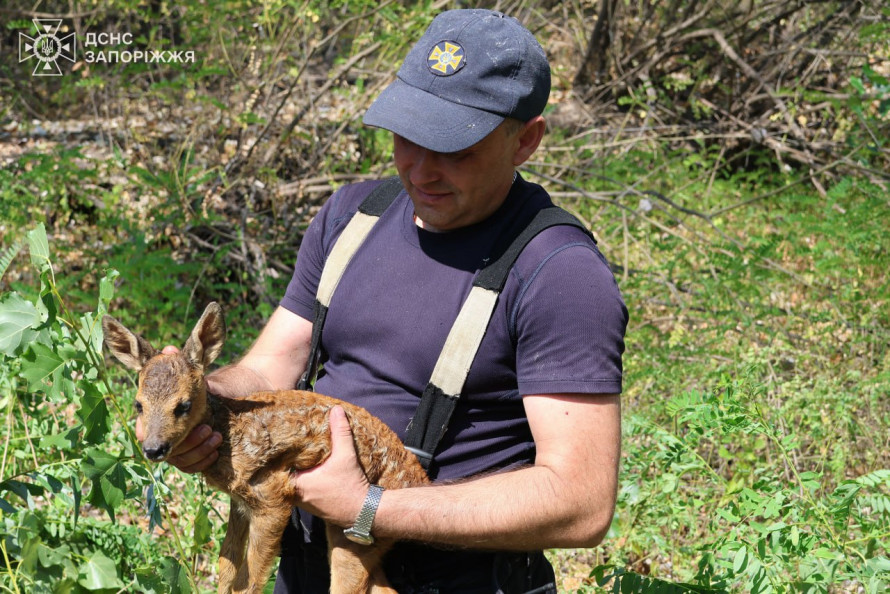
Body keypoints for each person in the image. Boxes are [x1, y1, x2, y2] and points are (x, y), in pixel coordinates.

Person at [142, 8, 628, 593]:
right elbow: (271, 365)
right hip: (309, 564)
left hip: (452, 578)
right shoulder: (352, 216)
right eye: (408, 135)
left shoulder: (558, 272)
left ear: (525, 139)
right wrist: (195, 398)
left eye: (456, 148)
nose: (421, 169)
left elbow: (580, 502)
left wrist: (368, 506)